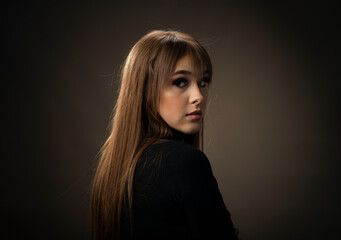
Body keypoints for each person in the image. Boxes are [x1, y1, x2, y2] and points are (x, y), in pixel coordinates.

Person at [90, 30, 239, 240]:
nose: (199, 96)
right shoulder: (185, 162)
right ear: (145, 90)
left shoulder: (113, 164)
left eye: (203, 82)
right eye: (180, 82)